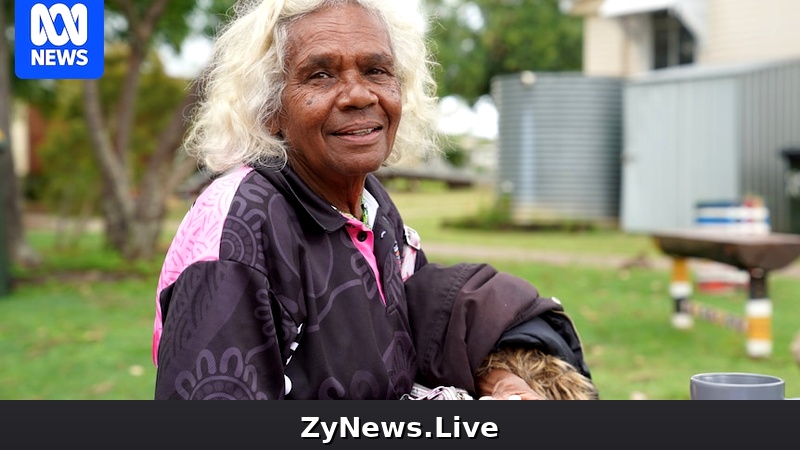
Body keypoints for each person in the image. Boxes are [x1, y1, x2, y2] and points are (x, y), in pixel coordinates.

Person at [152, 0, 595, 400]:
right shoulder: (241, 229)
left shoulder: (369, 204)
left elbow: (413, 336)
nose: (360, 95)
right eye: (320, 74)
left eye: (376, 70)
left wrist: (502, 381)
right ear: (269, 107)